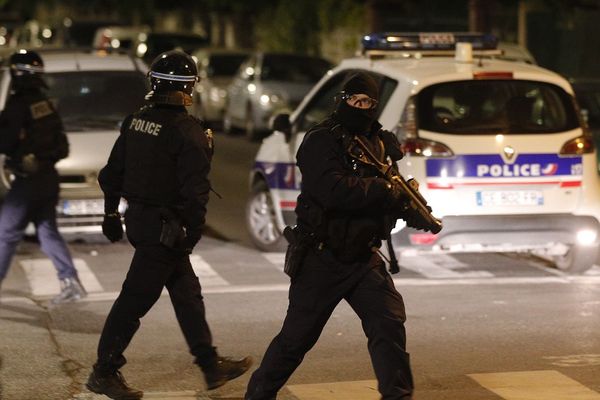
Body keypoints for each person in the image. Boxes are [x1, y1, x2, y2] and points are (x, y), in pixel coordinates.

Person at [86, 50, 252, 400]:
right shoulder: (189, 133)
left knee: (187, 294)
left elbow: (111, 173)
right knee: (134, 301)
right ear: (189, 88)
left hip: (141, 221)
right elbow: (196, 193)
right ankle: (104, 371)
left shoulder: (135, 122)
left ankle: (209, 365)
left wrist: (111, 213)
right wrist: (191, 233)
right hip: (166, 229)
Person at [244, 72, 415, 400]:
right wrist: (384, 190)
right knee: (296, 340)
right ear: (343, 100)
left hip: (363, 257)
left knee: (388, 324)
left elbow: (384, 198)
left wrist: (404, 206)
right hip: (323, 257)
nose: (361, 107)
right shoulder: (321, 139)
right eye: (355, 101)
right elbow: (333, 191)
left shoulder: (375, 142)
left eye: (368, 103)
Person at [0, 49, 86, 304]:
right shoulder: (46, 104)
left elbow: (4, 142)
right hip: (49, 178)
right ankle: (70, 281)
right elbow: (63, 147)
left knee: (5, 233)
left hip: (29, 182)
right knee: (47, 231)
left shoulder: (18, 105)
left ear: (17, 74)